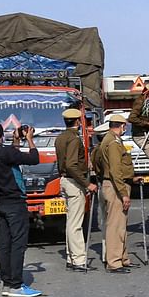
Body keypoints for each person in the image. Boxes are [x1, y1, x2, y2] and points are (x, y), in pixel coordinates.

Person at [0, 119, 44, 297]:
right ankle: (17, 285)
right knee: (18, 243)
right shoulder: (5, 152)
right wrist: (30, 139)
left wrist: (16, 141)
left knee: (5, 244)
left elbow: (10, 157)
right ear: (1, 134)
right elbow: (33, 158)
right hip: (15, 202)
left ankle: (7, 282)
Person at [56, 107, 97, 271]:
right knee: (76, 224)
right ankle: (79, 259)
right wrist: (87, 184)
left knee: (70, 222)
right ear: (78, 121)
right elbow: (71, 165)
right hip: (74, 182)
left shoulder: (60, 137)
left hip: (64, 180)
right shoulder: (74, 139)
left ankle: (71, 257)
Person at [98, 113, 135, 273]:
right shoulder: (113, 142)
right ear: (122, 126)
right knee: (115, 225)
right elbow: (115, 170)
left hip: (113, 184)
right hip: (115, 186)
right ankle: (114, 262)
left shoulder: (109, 139)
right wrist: (123, 193)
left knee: (120, 225)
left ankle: (122, 258)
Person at [128, 82, 149, 165]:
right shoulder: (140, 102)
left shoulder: (145, 102)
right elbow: (131, 118)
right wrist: (147, 123)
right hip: (140, 136)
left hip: (146, 134)